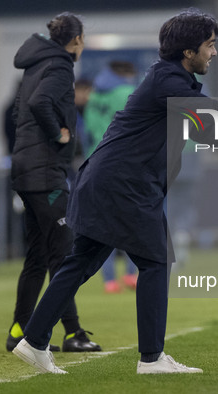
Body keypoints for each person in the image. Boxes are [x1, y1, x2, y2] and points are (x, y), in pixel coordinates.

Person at [12, 9, 218, 374]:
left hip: (112, 184)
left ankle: (33, 340)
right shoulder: (168, 83)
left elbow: (203, 130)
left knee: (80, 263)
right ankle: (152, 358)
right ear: (188, 52)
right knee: (156, 262)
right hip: (125, 187)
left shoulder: (172, 81)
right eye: (210, 45)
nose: (214, 53)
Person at [7, 12, 101, 354]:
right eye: (83, 40)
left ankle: (18, 329)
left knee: (37, 255)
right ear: (75, 41)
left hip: (26, 169)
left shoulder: (35, 63)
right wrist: (58, 134)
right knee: (63, 255)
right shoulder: (60, 66)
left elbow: (21, 109)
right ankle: (72, 333)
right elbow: (39, 103)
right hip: (46, 172)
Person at [83, 60, 139, 293]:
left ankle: (108, 280)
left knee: (103, 226)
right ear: (126, 73)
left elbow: (86, 131)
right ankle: (130, 274)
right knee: (134, 223)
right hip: (123, 164)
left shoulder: (94, 96)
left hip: (95, 163)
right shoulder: (127, 92)